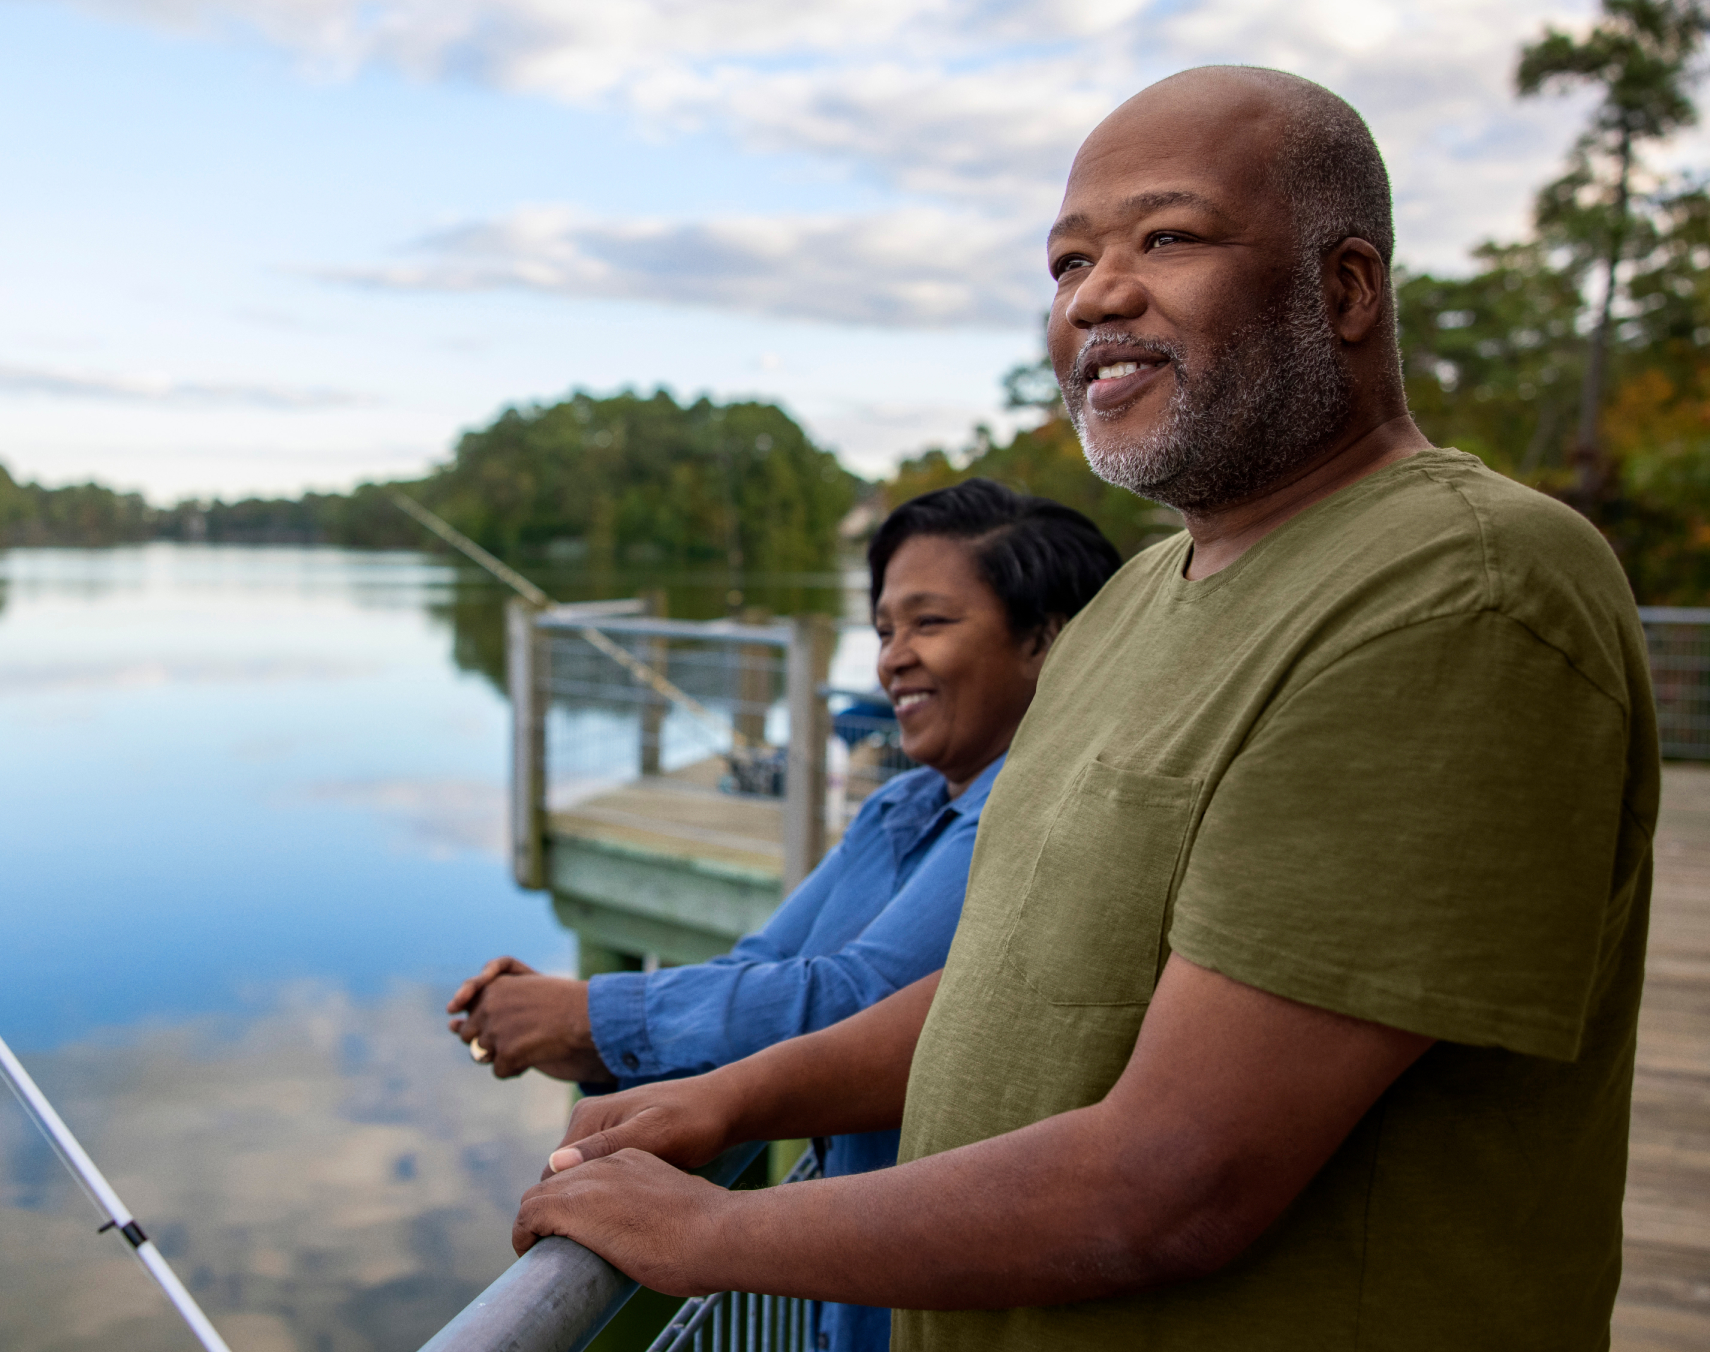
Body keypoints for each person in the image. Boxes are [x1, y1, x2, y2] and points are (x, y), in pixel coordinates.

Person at [508, 65, 1657, 1352]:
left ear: (1344, 289)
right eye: (1067, 262)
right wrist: (730, 1097)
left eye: (1168, 238)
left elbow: (1186, 1173)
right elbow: (1012, 988)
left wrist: (711, 1231)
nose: (1095, 296)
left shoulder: (1460, 590)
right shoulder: (1131, 602)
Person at [447, 478, 1121, 1352]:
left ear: (1046, 641)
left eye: (929, 623)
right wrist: (579, 1025)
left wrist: (596, 1017)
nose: (892, 660)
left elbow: (864, 997)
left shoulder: (1044, 813)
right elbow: (762, 960)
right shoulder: (904, 802)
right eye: (884, 630)